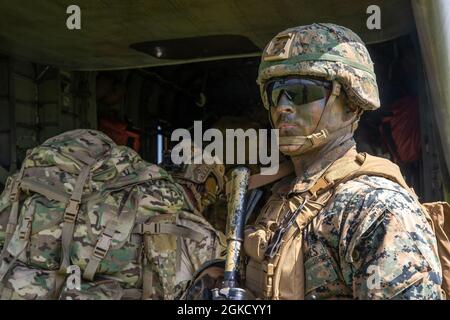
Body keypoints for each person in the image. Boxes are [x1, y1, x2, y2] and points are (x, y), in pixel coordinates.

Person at [242, 23, 443, 300]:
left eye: (302, 92)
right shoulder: (281, 196)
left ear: (351, 103)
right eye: (276, 92)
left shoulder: (376, 206)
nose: (282, 107)